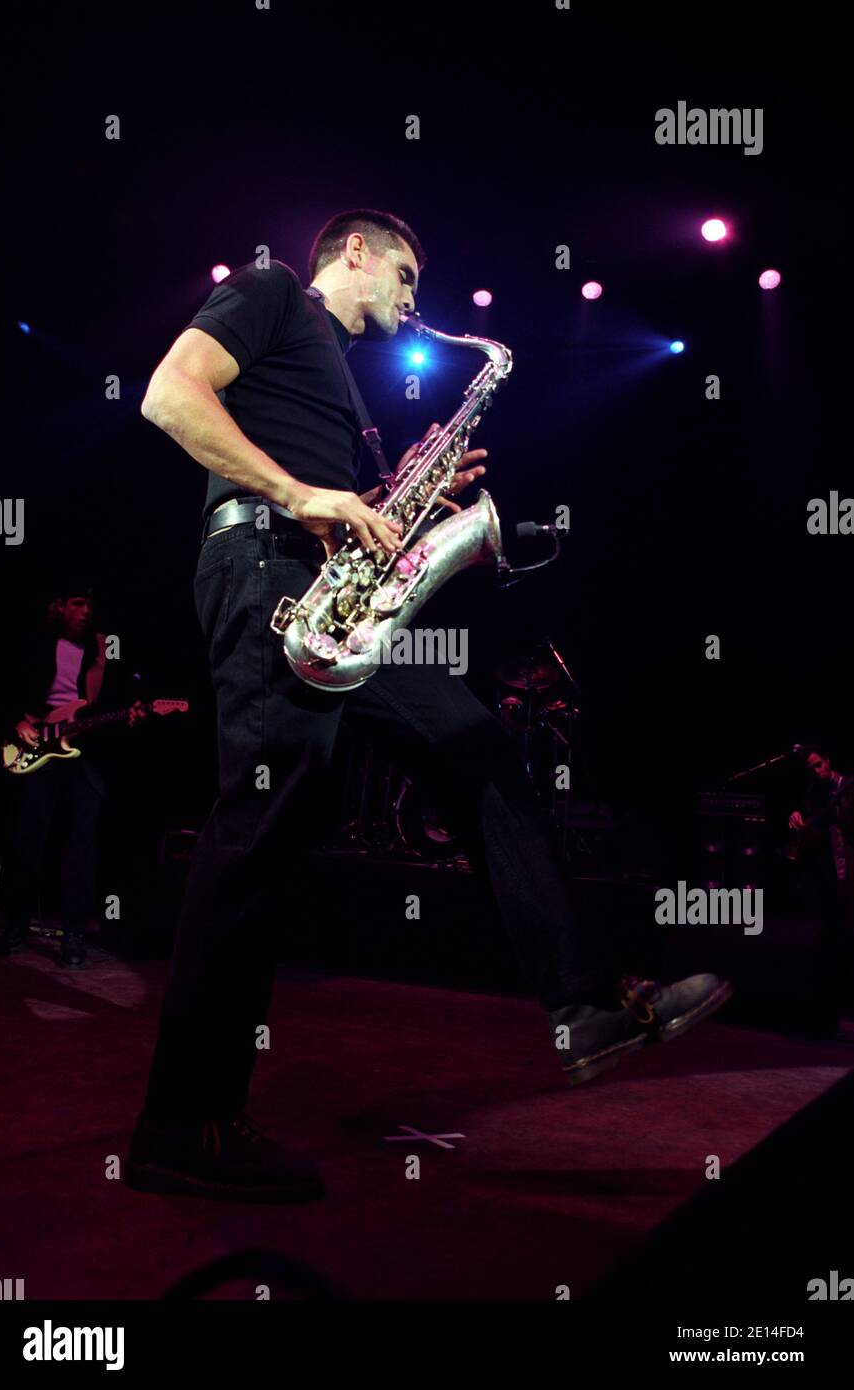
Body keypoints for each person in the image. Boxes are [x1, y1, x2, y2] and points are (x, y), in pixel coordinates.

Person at [125, 209, 732, 1204]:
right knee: (256, 832)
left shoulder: (340, 373)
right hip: (263, 569)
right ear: (352, 252)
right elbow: (167, 395)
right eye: (403, 274)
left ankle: (580, 1005)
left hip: (334, 595)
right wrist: (302, 494)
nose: (413, 299)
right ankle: (179, 1123)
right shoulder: (275, 289)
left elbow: (353, 518)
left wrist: (411, 495)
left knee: (475, 743)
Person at [0, 583, 146, 968]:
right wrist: (18, 723)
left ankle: (74, 936)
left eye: (90, 604)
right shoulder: (35, 644)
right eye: (77, 604)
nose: (86, 611)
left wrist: (132, 713)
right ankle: (15, 928)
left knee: (82, 848)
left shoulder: (105, 648)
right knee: (28, 841)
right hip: (37, 749)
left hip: (83, 757)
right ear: (59, 607)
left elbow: (119, 695)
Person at [788, 743, 854, 1030]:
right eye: (810, 769)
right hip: (825, 877)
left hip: (849, 874)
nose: (816, 771)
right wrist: (797, 819)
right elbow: (813, 829)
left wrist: (839, 811)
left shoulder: (848, 786)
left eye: (819, 765)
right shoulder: (813, 793)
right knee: (828, 942)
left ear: (828, 761)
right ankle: (829, 1010)